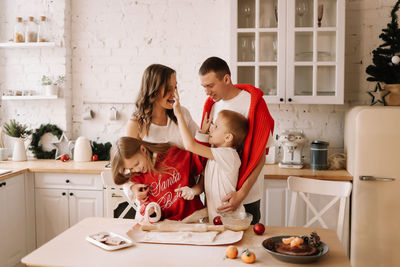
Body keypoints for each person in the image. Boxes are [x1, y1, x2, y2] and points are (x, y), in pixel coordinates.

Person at [198, 56, 274, 224]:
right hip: (216, 197)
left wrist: (241, 194)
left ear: (226, 79)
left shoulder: (254, 104)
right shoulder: (211, 106)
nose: (207, 92)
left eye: (211, 86)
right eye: (204, 87)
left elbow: (260, 157)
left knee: (246, 249)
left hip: (247, 197)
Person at [125, 64, 204, 209]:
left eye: (175, 87)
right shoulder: (136, 124)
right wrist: (132, 188)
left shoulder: (182, 114)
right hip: (153, 205)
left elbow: (201, 151)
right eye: (168, 88)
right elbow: (126, 167)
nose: (174, 93)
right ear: (153, 89)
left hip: (184, 205)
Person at [173, 90, 249, 221]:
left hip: (231, 220)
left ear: (228, 137)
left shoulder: (229, 155)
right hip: (216, 220)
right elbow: (202, 185)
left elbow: (190, 146)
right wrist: (192, 191)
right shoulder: (213, 156)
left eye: (216, 126)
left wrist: (179, 114)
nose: (211, 129)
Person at [111, 136, 204, 221]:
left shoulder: (172, 155)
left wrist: (203, 136)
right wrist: (149, 210)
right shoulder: (138, 179)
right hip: (164, 226)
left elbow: (199, 161)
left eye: (136, 164)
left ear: (143, 149)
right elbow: (145, 206)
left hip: (192, 219)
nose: (136, 169)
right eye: (131, 168)